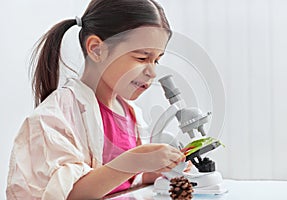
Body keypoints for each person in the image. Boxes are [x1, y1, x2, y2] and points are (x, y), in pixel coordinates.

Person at [6, 0, 186, 199]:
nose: (152, 72)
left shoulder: (130, 113)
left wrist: (152, 170)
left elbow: (120, 182)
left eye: (157, 59)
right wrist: (134, 161)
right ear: (97, 49)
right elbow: (67, 193)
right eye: (142, 58)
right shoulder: (54, 118)